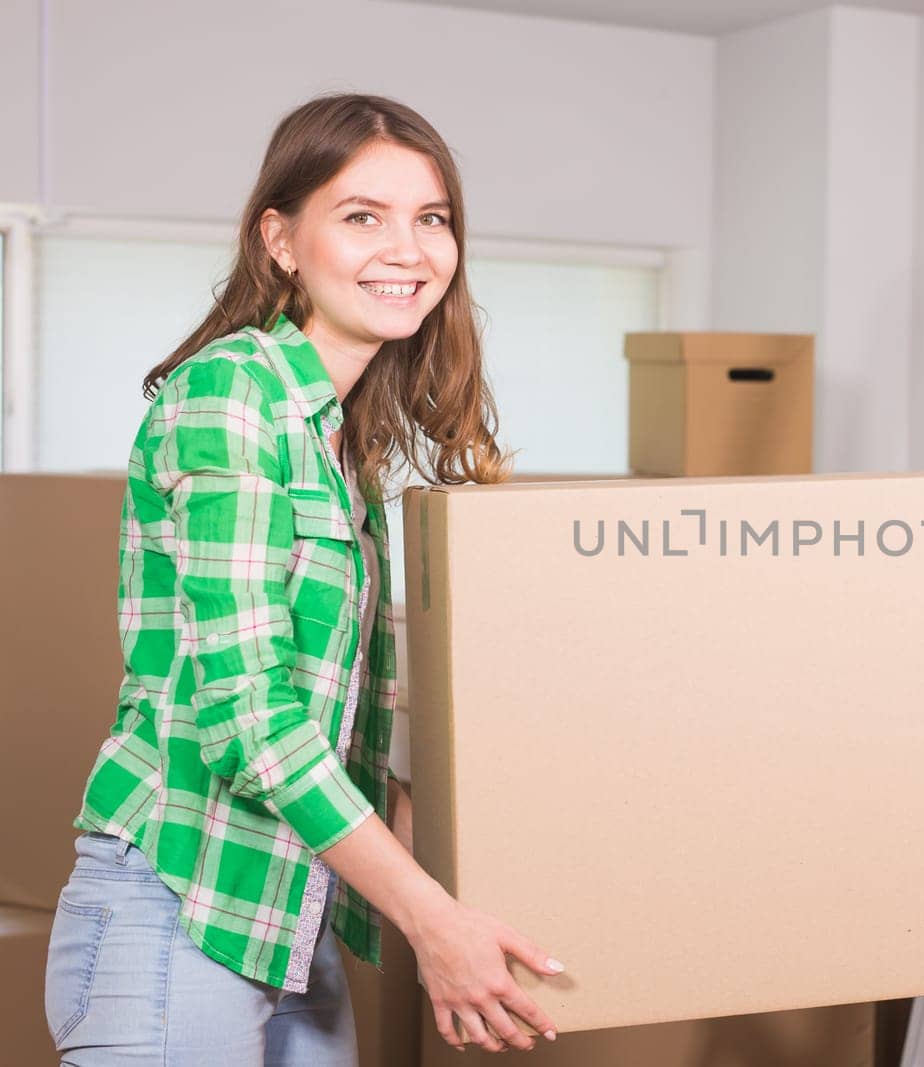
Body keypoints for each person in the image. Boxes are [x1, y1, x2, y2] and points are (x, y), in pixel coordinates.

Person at [44, 94, 564, 1064]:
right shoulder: (230, 393)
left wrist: (499, 876)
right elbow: (252, 716)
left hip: (287, 909)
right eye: (362, 215)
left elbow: (349, 737)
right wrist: (430, 920)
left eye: (432, 218)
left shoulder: (334, 435)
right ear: (280, 239)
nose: (406, 249)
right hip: (178, 905)